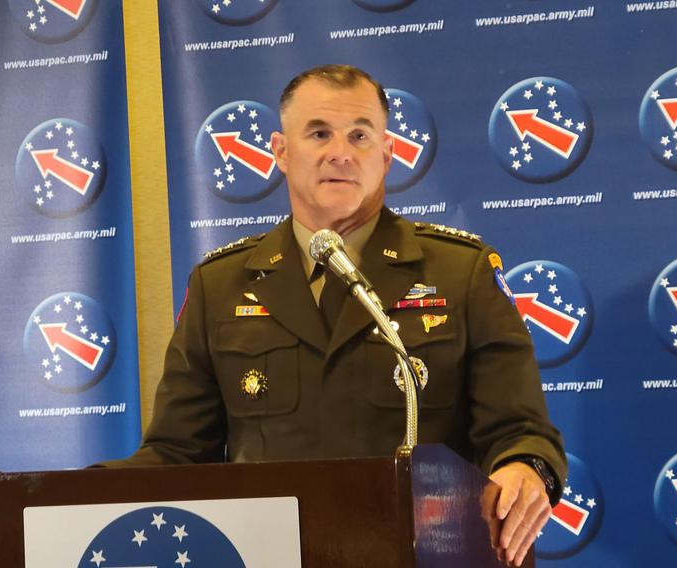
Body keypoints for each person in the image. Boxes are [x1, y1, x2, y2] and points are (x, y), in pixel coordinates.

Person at [106, 64, 566, 567]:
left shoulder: (462, 272)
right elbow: (175, 455)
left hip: (425, 555)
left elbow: (521, 430)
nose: (340, 153)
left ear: (387, 154)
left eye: (360, 135)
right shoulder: (220, 285)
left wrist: (526, 469)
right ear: (280, 151)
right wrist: (66, 495)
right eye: (319, 133)